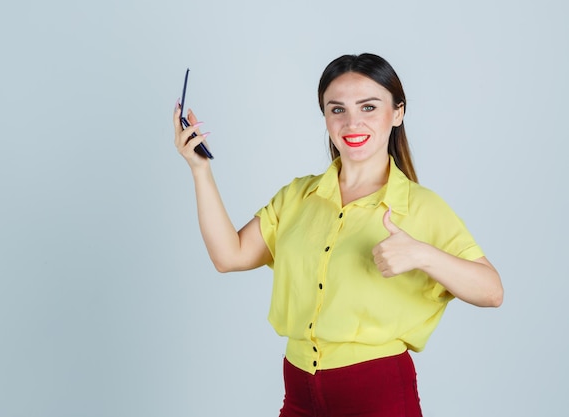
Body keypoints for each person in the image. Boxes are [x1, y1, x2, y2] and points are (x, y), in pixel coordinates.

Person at [173, 53, 503, 417]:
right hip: (299, 391)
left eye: (368, 106)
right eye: (337, 109)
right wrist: (199, 169)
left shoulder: (420, 207)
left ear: (397, 113)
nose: (352, 122)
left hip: (378, 394)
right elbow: (228, 256)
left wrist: (421, 255)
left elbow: (492, 291)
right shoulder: (298, 197)